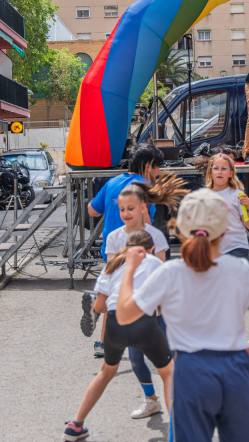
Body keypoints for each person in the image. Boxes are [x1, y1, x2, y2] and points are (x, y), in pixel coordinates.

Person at [119, 189, 249, 442]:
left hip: (191, 370)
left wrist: (130, 268)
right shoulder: (238, 269)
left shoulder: (170, 273)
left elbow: (124, 315)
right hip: (235, 368)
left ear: (180, 228)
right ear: (224, 230)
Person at [64, 231, 171, 441]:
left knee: (105, 372)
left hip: (114, 322)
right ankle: (180, 432)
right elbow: (162, 305)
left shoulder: (111, 266)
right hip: (144, 322)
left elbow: (99, 306)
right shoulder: (155, 263)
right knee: (168, 374)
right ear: (150, 250)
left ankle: (75, 426)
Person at [86, 179, 183, 363]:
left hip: (150, 293)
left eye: (130, 209)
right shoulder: (115, 237)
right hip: (125, 288)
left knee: (166, 345)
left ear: (142, 207)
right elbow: (112, 268)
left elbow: (161, 268)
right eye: (122, 209)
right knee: (128, 346)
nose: (125, 213)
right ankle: (100, 318)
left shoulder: (155, 235)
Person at [87, 144, 163, 261]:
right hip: (136, 253)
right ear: (148, 167)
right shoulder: (147, 186)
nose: (158, 171)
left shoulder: (112, 182)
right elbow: (146, 224)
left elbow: (92, 211)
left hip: (110, 252)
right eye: (158, 167)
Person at [206, 152, 249, 260]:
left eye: (224, 168)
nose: (219, 172)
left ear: (231, 173)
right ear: (210, 172)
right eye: (216, 168)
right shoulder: (203, 196)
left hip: (237, 248)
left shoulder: (238, 195)